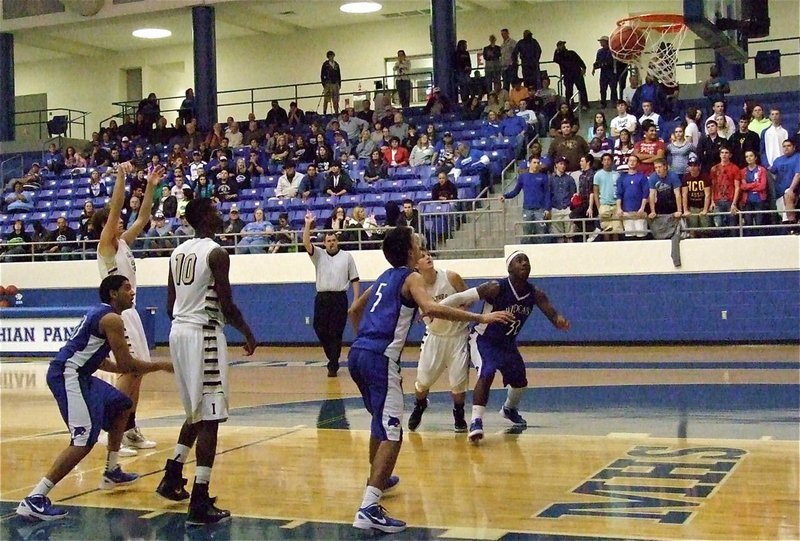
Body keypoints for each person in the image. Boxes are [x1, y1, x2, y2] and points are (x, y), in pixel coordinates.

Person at [348, 227, 513, 532]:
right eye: (416, 243)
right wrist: (480, 318)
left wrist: (365, 341)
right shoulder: (410, 277)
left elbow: (354, 309)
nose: (420, 246)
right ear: (409, 252)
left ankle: (377, 481)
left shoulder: (384, 276)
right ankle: (368, 508)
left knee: (379, 423)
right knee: (393, 433)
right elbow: (432, 308)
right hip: (379, 358)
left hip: (357, 354)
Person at [16, 275, 173, 521]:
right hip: (68, 375)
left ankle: (111, 470)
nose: (132, 292)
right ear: (113, 293)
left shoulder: (101, 314)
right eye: (127, 288)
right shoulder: (112, 319)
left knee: (122, 405)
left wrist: (134, 367)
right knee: (83, 440)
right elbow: (127, 364)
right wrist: (161, 365)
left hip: (80, 374)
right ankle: (35, 498)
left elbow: (102, 361)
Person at [155, 197, 256, 526]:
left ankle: (172, 475)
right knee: (211, 416)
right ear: (204, 218)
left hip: (177, 333)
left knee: (195, 411)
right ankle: (199, 499)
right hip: (204, 334)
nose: (221, 214)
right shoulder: (217, 253)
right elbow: (227, 305)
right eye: (215, 210)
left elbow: (170, 306)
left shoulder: (177, 252)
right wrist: (248, 333)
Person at [468, 251, 569, 443]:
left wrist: (558, 320)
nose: (524, 263)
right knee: (486, 373)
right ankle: (476, 421)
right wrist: (438, 307)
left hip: (507, 344)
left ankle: (509, 409)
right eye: (519, 260)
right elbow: (465, 297)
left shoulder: (535, 293)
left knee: (520, 382)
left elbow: (552, 313)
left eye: (527, 261)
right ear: (509, 267)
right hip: (484, 339)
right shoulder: (496, 287)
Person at [407, 249, 483, 432]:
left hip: (458, 337)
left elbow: (469, 299)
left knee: (458, 384)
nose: (428, 257)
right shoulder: (416, 286)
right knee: (422, 383)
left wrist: (458, 309)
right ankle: (420, 404)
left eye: (428, 255)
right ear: (416, 265)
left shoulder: (451, 277)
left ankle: (458, 413)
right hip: (435, 337)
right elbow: (429, 316)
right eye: (423, 257)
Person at [302, 212, 360, 377]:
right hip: (322, 298)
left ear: (337, 241)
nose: (331, 243)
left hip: (339, 298)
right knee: (319, 328)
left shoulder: (347, 257)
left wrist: (356, 300)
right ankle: (332, 357)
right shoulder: (319, 255)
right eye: (328, 241)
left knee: (336, 332)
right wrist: (308, 225)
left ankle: (333, 364)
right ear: (324, 243)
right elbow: (306, 243)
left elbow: (355, 279)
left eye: (334, 240)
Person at [502, 157, 550, 243]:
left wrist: (547, 208)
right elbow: (516, 191)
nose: (536, 165)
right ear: (529, 164)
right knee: (527, 234)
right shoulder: (523, 177)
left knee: (541, 234)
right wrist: (505, 196)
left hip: (540, 209)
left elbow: (547, 193)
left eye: (538, 163)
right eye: (534, 163)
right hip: (527, 209)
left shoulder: (543, 177)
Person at [647, 159, 684, 266]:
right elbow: (652, 195)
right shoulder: (653, 177)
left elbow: (678, 194)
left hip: (672, 206)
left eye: (659, 167)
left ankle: (676, 258)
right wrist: (653, 211)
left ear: (665, 167)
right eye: (656, 167)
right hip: (660, 207)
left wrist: (679, 210)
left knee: (676, 233)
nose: (658, 170)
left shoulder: (673, 176)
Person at [709, 147, 741, 235]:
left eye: (726, 152)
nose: (724, 154)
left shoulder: (735, 168)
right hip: (717, 201)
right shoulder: (714, 169)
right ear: (719, 155)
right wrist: (711, 201)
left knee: (732, 227)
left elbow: (737, 187)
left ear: (730, 155)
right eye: (722, 152)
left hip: (730, 200)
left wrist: (734, 203)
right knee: (718, 225)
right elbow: (712, 186)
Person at [615, 155, 649, 239]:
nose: (632, 162)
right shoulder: (622, 178)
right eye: (630, 160)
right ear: (628, 162)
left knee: (641, 235)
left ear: (637, 164)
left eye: (634, 161)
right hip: (626, 211)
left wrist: (642, 208)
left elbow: (645, 194)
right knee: (629, 236)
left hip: (639, 212)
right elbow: (619, 194)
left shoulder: (642, 177)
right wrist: (619, 208)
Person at [592, 153, 623, 241]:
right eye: (604, 160)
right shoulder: (598, 175)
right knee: (606, 229)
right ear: (602, 162)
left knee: (616, 229)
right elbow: (595, 192)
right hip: (604, 204)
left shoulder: (617, 174)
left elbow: (619, 190)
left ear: (612, 161)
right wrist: (599, 207)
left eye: (608, 160)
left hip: (615, 205)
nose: (607, 162)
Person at [553, 40, 588, 110]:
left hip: (576, 72)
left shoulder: (571, 53)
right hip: (567, 74)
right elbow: (555, 59)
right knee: (568, 91)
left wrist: (584, 68)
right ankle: (569, 105)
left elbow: (579, 60)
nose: (562, 46)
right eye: (560, 45)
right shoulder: (559, 56)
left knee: (581, 88)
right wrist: (556, 51)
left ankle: (584, 104)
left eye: (562, 45)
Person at [682, 156, 712, 237]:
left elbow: (707, 194)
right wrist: (685, 210)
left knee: (705, 228)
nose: (693, 168)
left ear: (699, 166)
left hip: (703, 205)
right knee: (692, 228)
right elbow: (684, 194)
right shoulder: (686, 177)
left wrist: (705, 209)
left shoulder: (705, 177)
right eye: (691, 165)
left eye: (695, 165)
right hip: (692, 206)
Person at [592, 35, 617, 108]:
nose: (600, 43)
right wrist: (594, 67)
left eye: (602, 41)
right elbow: (597, 61)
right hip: (603, 72)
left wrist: (603, 64)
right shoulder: (600, 51)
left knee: (613, 88)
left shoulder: (612, 51)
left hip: (611, 72)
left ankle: (614, 102)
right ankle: (603, 103)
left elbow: (611, 62)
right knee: (602, 88)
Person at [320, 50, 342, 115]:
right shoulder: (325, 65)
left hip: (335, 83)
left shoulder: (336, 65)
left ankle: (336, 112)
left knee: (335, 99)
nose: (331, 57)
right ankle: (324, 112)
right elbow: (322, 74)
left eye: (332, 56)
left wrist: (339, 83)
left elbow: (339, 74)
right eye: (330, 56)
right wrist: (324, 84)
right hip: (328, 83)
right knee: (326, 98)